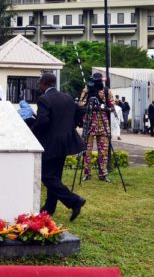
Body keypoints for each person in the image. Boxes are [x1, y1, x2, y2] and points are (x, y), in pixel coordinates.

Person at [32, 73, 86, 221]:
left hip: (51, 143)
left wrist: (31, 132)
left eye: (39, 84)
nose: (39, 87)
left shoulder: (44, 99)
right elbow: (80, 111)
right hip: (66, 142)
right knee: (55, 176)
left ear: (44, 83)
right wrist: (69, 127)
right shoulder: (67, 97)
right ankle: (49, 207)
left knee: (46, 176)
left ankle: (74, 201)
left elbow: (43, 121)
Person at [79, 72, 114, 183]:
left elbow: (112, 106)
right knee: (87, 150)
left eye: (100, 81)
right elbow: (80, 104)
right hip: (89, 122)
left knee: (103, 151)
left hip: (103, 123)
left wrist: (105, 108)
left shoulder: (107, 90)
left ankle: (103, 174)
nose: (98, 83)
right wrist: (89, 104)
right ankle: (87, 174)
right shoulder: (87, 89)